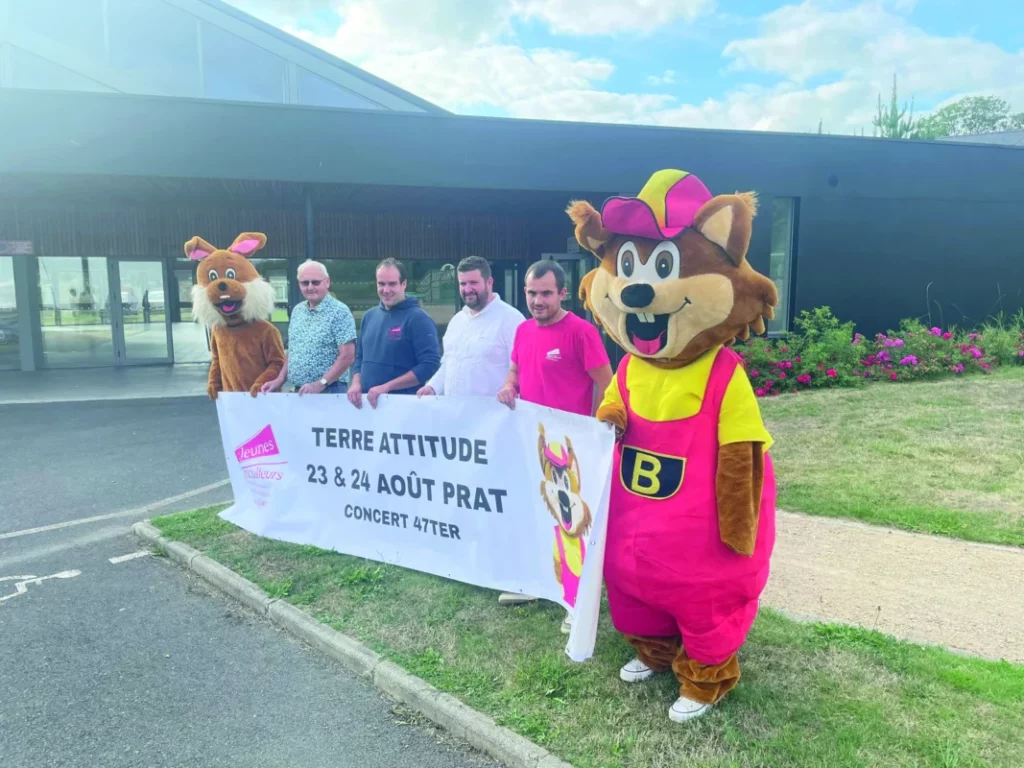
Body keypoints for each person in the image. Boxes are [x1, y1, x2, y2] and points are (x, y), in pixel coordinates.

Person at [496, 259, 613, 629]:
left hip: (572, 449)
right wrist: (509, 385)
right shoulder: (523, 330)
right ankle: (535, 583)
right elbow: (516, 369)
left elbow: (606, 383)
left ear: (562, 293)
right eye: (532, 293)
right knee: (535, 511)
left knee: (571, 522)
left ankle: (576, 600)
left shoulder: (581, 332)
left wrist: (593, 429)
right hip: (535, 442)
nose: (538, 301)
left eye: (546, 293)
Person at [416, 255, 524, 399]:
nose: (467, 289)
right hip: (454, 411)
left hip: (494, 412)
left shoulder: (511, 320)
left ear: (489, 282)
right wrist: (432, 387)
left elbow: (521, 371)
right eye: (463, 283)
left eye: (473, 283)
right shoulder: (457, 321)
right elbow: (448, 364)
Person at [348, 258, 441, 409]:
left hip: (402, 408)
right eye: (381, 284)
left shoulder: (418, 319)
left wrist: (387, 387)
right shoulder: (369, 316)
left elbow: (429, 365)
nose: (386, 290)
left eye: (392, 284)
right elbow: (360, 357)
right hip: (366, 407)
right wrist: (356, 383)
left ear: (403, 284)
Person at [261, 259, 356, 395]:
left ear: (327, 282)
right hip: (299, 391)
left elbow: (347, 356)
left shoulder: (340, 312)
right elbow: (293, 352)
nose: (310, 287)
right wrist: (280, 379)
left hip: (329, 390)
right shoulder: (297, 311)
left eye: (315, 282)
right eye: (305, 283)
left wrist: (321, 384)